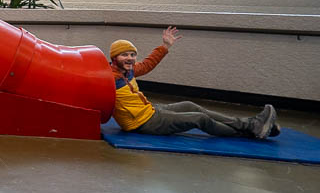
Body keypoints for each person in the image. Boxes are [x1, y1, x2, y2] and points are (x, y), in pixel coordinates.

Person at [110, 27, 278, 139]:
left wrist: (165, 46)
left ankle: (251, 125)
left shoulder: (129, 70)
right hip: (142, 123)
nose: (130, 58)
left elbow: (147, 64)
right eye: (124, 55)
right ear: (114, 58)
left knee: (190, 105)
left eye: (132, 54)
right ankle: (250, 130)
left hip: (149, 110)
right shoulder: (108, 78)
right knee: (199, 119)